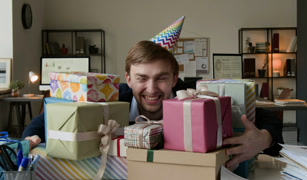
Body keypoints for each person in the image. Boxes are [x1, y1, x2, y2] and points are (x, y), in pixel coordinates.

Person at [22, 40, 283, 168]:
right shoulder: (111, 98)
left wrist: (263, 139)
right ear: (128, 79)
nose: (151, 89)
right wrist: (31, 138)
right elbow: (42, 122)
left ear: (175, 79)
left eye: (161, 78)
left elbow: (266, 118)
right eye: (141, 79)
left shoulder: (195, 100)